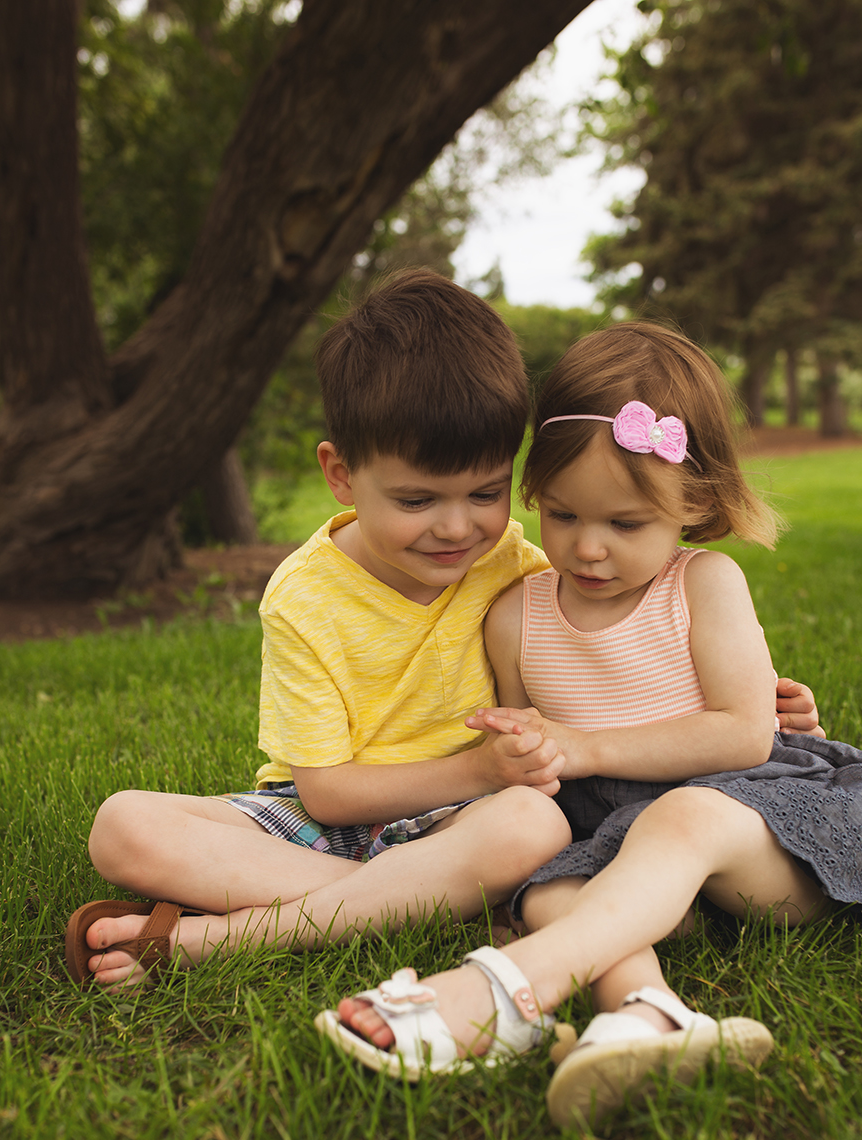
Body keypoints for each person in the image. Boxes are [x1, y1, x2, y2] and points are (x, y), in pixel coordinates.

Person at [68, 276, 818, 992]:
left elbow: (611, 657)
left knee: (531, 824)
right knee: (123, 825)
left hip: (470, 825)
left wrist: (765, 711)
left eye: (486, 493)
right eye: (417, 498)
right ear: (341, 473)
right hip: (330, 824)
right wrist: (483, 769)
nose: (457, 528)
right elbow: (326, 796)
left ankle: (238, 934)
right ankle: (434, 902)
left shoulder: (519, 565)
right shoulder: (303, 597)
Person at [321, 321, 862, 1127]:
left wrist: (590, 745)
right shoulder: (516, 616)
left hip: (760, 832)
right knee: (550, 891)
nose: (589, 548)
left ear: (696, 504)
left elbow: (745, 737)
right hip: (619, 840)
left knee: (680, 815)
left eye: (627, 524)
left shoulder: (705, 584)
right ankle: (649, 1015)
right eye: (564, 515)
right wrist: (529, 750)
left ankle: (501, 992)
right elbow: (528, 748)